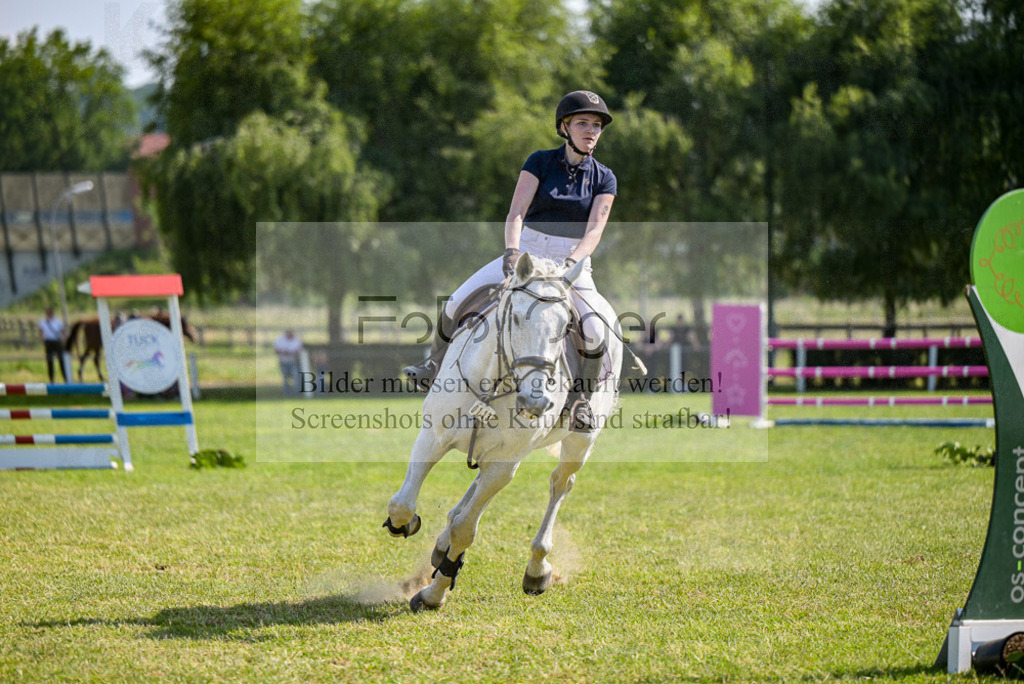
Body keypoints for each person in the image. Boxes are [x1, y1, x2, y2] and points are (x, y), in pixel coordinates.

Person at [403, 90, 618, 432]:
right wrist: (512, 252)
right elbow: (516, 212)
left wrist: (569, 264)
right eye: (582, 123)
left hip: (573, 261)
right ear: (564, 127)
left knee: (594, 330)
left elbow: (594, 232)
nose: (591, 130)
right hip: (527, 252)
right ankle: (433, 366)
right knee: (457, 300)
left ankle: (579, 403)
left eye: (596, 125)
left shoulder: (605, 177)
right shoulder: (539, 162)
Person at [38, 306, 68, 383]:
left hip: (57, 341)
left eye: (49, 312)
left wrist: (64, 340)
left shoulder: (57, 321)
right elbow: (41, 331)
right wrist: (42, 339)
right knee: (49, 361)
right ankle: (51, 379)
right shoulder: (43, 322)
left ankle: (65, 378)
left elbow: (62, 331)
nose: (48, 314)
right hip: (48, 342)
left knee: (61, 360)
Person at [274, 329, 303, 396]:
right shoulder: (280, 340)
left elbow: (299, 351)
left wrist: (291, 352)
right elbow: (276, 351)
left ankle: (296, 393)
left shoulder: (296, 340)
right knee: (285, 378)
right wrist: (284, 352)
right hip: (283, 361)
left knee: (295, 376)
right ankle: (287, 393)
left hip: (293, 361)